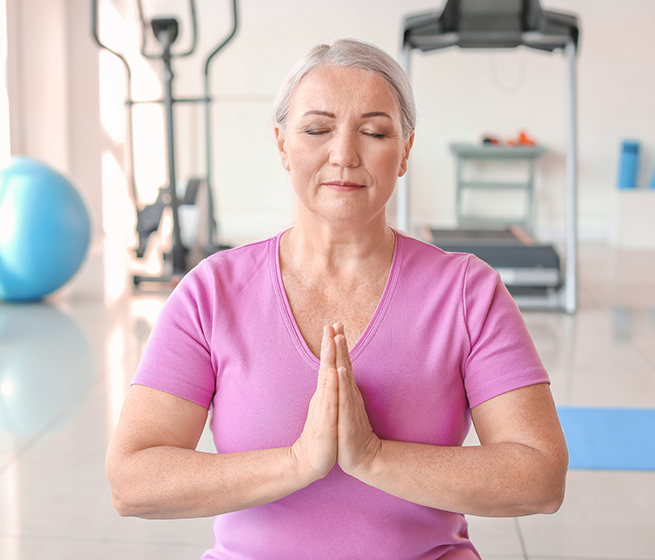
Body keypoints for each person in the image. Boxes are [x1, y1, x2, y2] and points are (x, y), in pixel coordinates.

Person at [105, 38, 568, 559]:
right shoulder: (211, 292)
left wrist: (373, 457)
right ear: (282, 144)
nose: (344, 156)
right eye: (317, 130)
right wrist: (299, 462)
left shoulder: (467, 291)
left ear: (406, 150)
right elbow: (132, 479)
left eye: (373, 132)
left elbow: (541, 476)